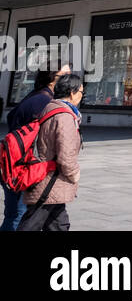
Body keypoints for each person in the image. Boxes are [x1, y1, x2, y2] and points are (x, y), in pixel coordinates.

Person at [3, 64, 70, 231]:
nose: (71, 78)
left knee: (14, 214)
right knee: (20, 215)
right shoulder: (45, 102)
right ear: (53, 77)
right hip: (24, 167)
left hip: (13, 161)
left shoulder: (37, 96)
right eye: (66, 74)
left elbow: (11, 117)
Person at [18, 73, 84, 232]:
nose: (82, 96)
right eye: (81, 92)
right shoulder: (65, 116)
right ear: (72, 92)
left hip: (49, 181)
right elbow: (66, 155)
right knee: (32, 224)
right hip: (50, 181)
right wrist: (74, 173)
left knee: (59, 225)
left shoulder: (50, 107)